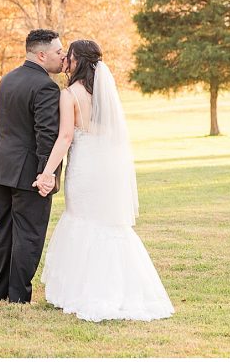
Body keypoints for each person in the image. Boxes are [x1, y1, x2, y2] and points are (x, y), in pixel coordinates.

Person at [36, 39, 175, 321]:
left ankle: (83, 291)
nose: (65, 61)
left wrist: (48, 172)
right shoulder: (103, 95)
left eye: (69, 57)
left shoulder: (70, 94)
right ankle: (121, 289)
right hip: (105, 169)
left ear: (78, 62)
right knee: (108, 225)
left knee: (82, 221)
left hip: (84, 170)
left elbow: (64, 138)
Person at [0, 29, 64, 303]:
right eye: (58, 52)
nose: (62, 57)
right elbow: (46, 134)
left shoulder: (8, 79)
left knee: (4, 230)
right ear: (41, 55)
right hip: (29, 173)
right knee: (28, 233)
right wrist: (47, 174)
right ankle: (18, 297)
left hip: (0, 167)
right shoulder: (46, 87)